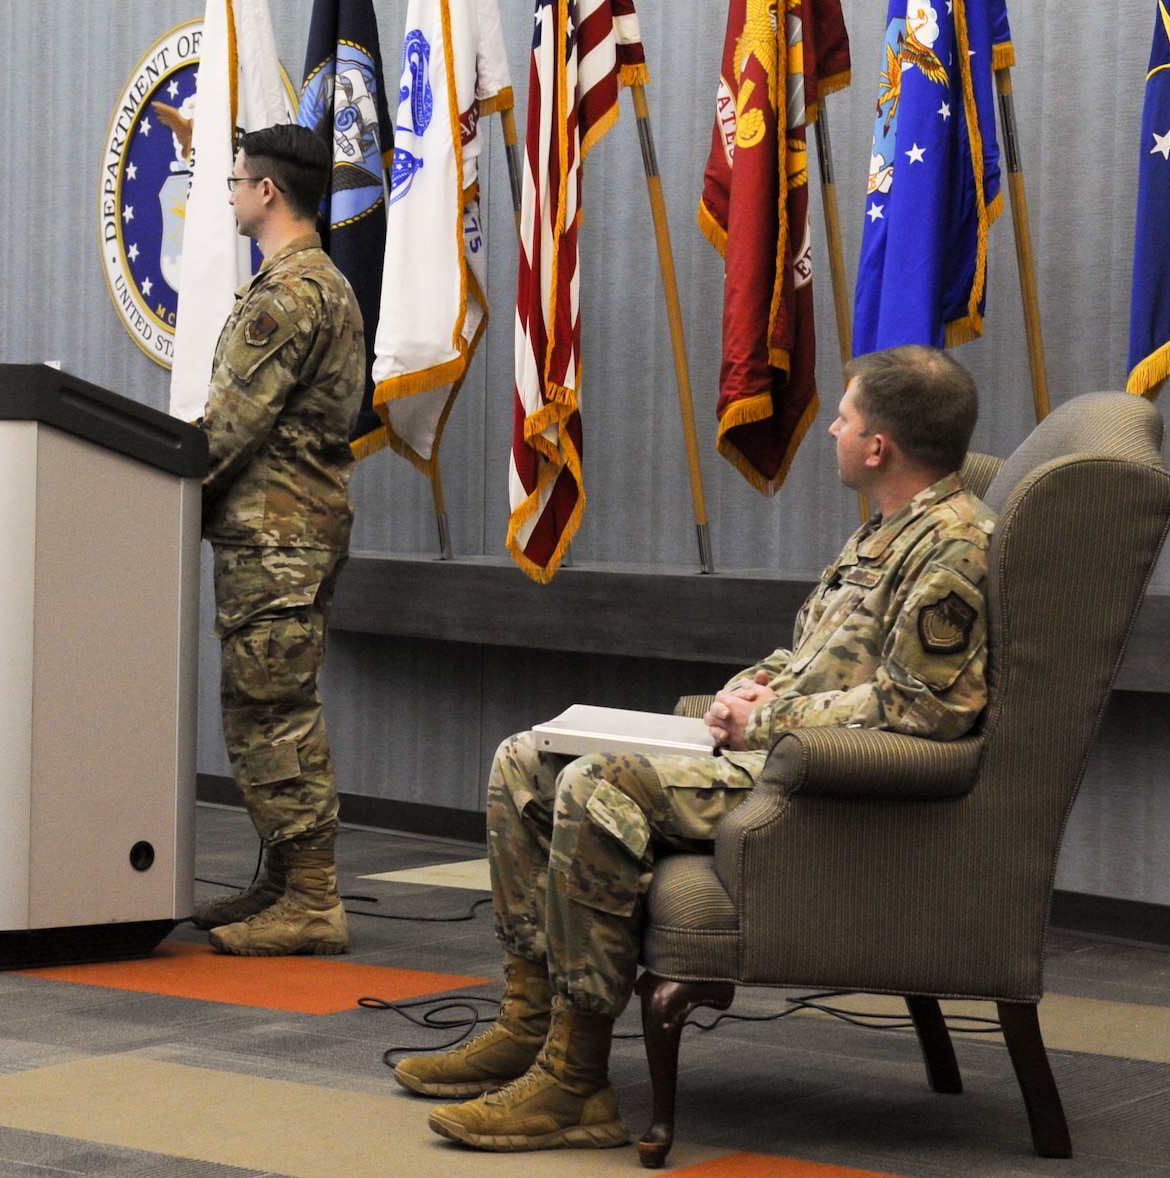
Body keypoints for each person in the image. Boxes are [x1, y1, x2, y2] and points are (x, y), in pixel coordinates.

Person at [396, 344, 995, 1151]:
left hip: (817, 784)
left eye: (844, 419)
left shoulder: (954, 545)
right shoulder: (886, 532)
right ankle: (528, 1022)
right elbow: (813, 657)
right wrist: (745, 691)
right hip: (775, 749)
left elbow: (922, 708)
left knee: (598, 786)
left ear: (878, 446)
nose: (833, 434)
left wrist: (766, 722)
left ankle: (577, 1084)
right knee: (524, 762)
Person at [194, 123, 367, 957]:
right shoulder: (316, 283)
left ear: (268, 191)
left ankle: (313, 900)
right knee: (265, 703)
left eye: (234, 180)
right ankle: (282, 879)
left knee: (273, 711)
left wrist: (156, 491)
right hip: (290, 532)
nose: (227, 192)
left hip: (279, 538)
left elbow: (226, 429)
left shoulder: (289, 295)